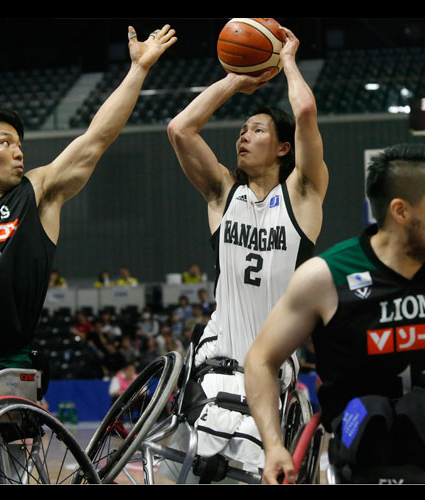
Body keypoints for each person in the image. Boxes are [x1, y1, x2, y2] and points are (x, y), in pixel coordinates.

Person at [0, 24, 177, 483]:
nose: (18, 150)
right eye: (5, 141)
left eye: (19, 142)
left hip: (7, 366)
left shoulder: (37, 193)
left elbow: (96, 138)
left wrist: (139, 69)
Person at [244, 143, 425, 484]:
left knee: (423, 413)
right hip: (358, 441)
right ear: (401, 211)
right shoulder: (326, 276)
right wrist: (273, 445)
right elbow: (260, 359)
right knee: (370, 417)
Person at [165, 24, 328, 478]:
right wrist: (236, 79)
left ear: (282, 148)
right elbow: (180, 129)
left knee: (249, 471)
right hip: (219, 354)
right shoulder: (223, 193)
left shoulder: (303, 194)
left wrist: (288, 61)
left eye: (256, 130)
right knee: (197, 465)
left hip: (273, 364)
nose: (242, 135)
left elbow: (307, 112)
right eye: (241, 129)